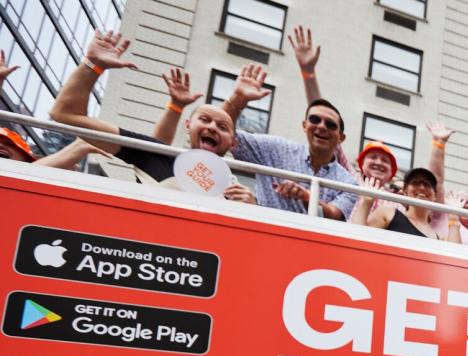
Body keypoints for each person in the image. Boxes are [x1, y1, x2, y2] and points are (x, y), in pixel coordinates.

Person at [47, 31, 254, 201]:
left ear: (232, 143)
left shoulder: (234, 192)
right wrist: (92, 65)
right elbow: (65, 114)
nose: (212, 128)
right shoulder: (155, 154)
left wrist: (252, 206)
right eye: (205, 119)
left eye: (223, 127)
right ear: (188, 126)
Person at [218, 63, 358, 218]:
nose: (322, 126)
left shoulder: (348, 182)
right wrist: (237, 99)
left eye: (330, 124)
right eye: (315, 119)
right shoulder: (275, 148)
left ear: (341, 138)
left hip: (308, 240)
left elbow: (336, 215)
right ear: (304, 126)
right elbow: (224, 137)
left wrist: (307, 197)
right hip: (261, 232)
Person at [353, 167, 461, 242]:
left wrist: (454, 217)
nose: (422, 187)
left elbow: (455, 259)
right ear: (405, 190)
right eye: (415, 182)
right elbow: (356, 237)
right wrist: (366, 202)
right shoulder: (388, 214)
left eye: (428, 184)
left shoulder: (439, 238)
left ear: (435, 196)